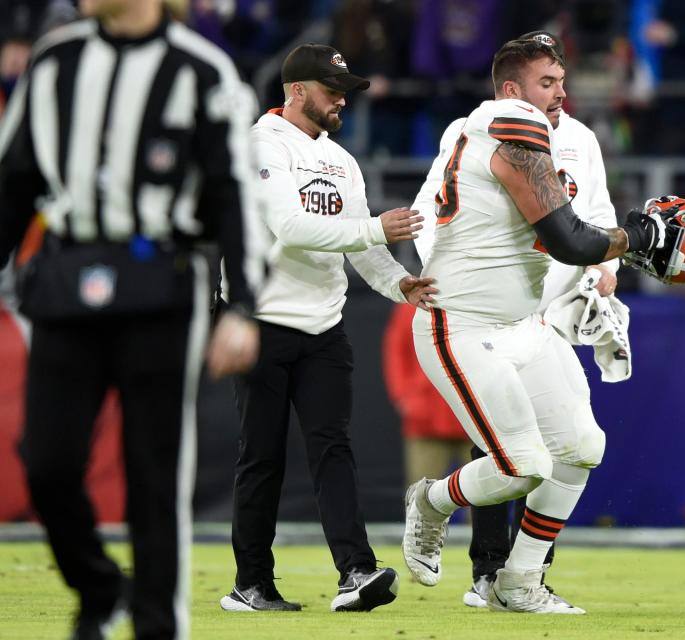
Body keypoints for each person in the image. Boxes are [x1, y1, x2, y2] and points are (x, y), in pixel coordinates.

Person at [0, 0, 265, 638]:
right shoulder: (56, 61)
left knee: (154, 474)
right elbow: (14, 181)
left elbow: (235, 193)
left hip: (161, 290)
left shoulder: (202, 71)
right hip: (66, 282)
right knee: (46, 462)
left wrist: (245, 308)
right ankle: (97, 585)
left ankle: (155, 626)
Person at [401, 37, 675, 614]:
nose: (562, 93)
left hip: (530, 321)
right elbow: (567, 237)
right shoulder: (502, 130)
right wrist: (633, 241)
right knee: (522, 465)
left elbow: (586, 228)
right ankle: (431, 500)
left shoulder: (570, 137)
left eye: (561, 80)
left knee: (580, 445)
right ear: (511, 93)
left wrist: (607, 262)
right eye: (547, 82)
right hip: (468, 322)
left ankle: (520, 581)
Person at [218, 43, 436, 615]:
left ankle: (356, 571)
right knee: (262, 456)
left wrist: (399, 284)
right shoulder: (260, 143)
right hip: (262, 320)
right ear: (295, 91)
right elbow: (288, 225)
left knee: (333, 448)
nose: (341, 99)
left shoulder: (341, 159)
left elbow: (362, 249)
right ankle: (252, 584)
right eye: (330, 88)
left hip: (324, 325)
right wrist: (371, 230)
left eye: (343, 89)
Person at [383, 303, 472, 487]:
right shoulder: (412, 304)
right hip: (426, 416)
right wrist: (404, 396)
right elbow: (396, 350)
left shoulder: (479, 298)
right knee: (422, 496)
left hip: (475, 414)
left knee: (484, 500)